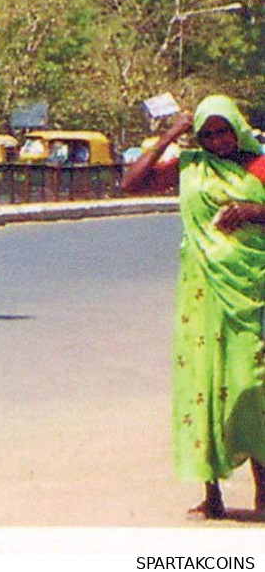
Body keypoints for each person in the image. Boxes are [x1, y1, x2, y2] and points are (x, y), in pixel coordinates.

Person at [122, 95, 265, 520]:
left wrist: (253, 210)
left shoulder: (258, 165)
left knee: (250, 385)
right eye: (208, 133)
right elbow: (132, 183)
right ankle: (212, 493)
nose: (218, 140)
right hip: (202, 290)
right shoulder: (192, 166)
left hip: (250, 290)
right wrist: (171, 134)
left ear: (237, 128)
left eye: (223, 131)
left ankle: (264, 489)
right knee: (202, 384)